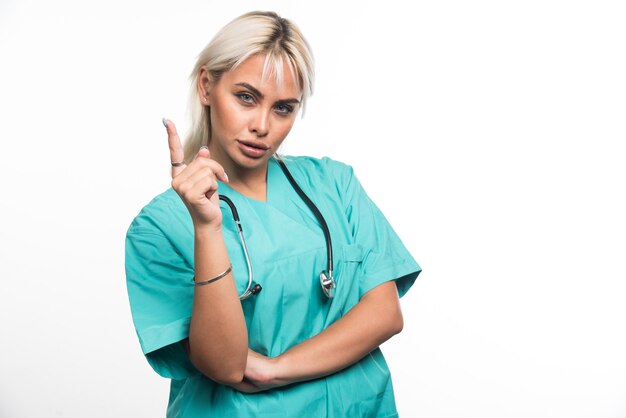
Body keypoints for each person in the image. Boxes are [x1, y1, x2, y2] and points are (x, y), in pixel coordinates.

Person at [125, 10, 422, 417]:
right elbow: (226, 365)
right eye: (246, 97)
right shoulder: (159, 227)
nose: (262, 125)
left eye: (283, 108)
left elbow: (386, 313)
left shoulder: (334, 184)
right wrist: (208, 229)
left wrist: (274, 370)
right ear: (207, 85)